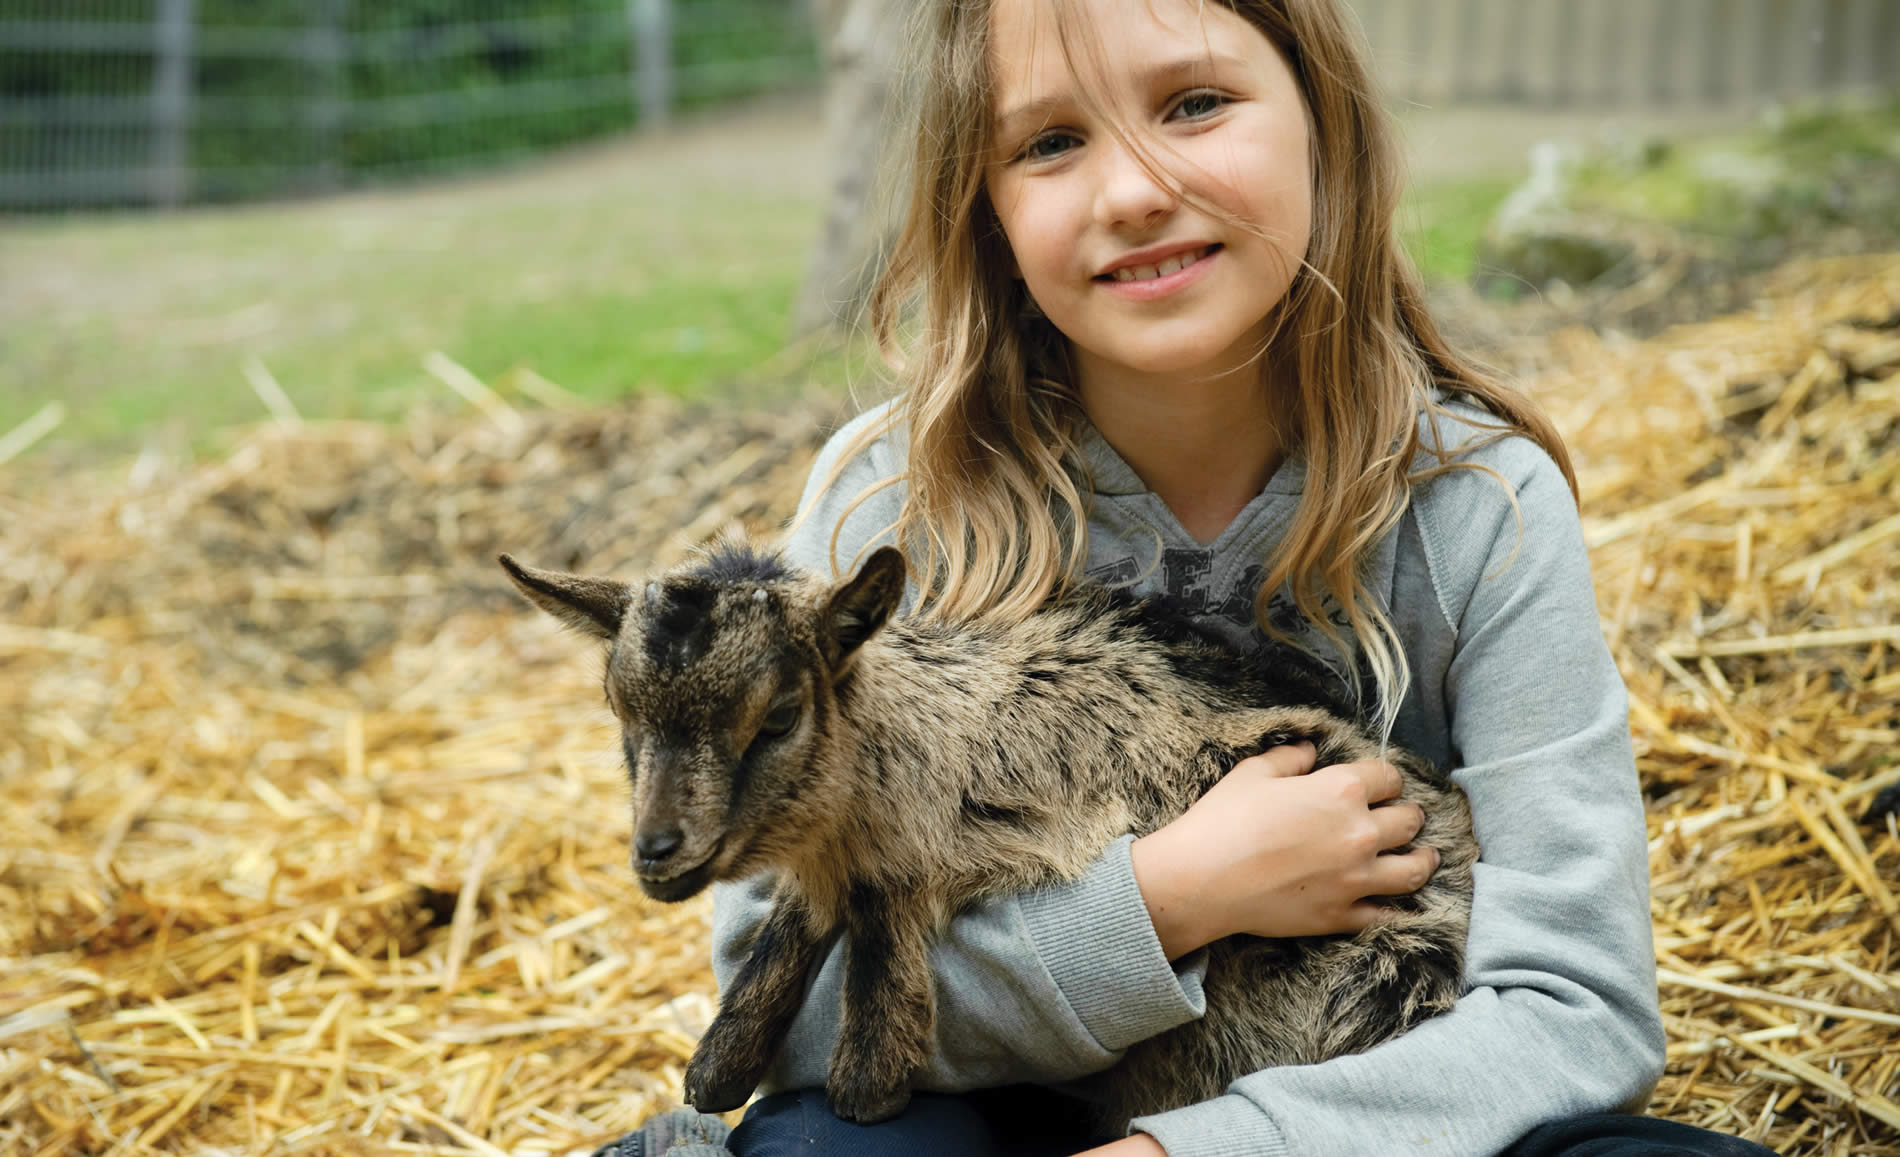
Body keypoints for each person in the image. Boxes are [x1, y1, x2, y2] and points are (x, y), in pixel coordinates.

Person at [608, 0, 1779, 1154]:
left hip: (1383, 1104)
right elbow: (790, 1015)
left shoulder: (1481, 505)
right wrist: (1168, 899)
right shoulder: (891, 511)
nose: (1130, 191)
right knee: (832, 1147)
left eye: (1197, 103)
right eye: (1050, 142)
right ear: (986, 205)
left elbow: (1577, 1010)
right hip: (1015, 1115)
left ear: (1324, 122)